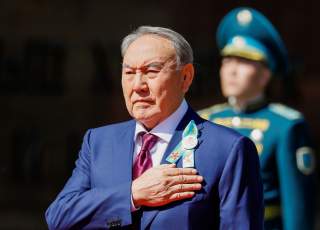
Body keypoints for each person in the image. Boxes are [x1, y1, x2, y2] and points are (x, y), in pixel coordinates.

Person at [45, 26, 263, 229]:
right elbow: (59, 217)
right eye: (129, 73)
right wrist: (132, 194)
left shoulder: (226, 149)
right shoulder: (99, 142)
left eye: (151, 71)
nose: (138, 86)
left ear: (185, 77)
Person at [198, 7, 316, 230]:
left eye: (243, 61)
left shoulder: (285, 126)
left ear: (265, 75)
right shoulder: (205, 120)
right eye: (227, 60)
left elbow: (297, 205)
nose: (232, 70)